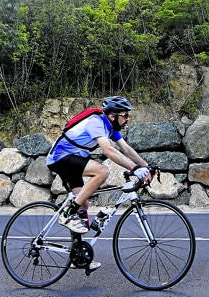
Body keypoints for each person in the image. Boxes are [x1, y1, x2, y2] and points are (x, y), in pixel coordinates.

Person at [46, 96, 152, 269]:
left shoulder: (110, 127)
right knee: (102, 171)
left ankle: (78, 256)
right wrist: (134, 169)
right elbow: (109, 150)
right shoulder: (96, 122)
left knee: (84, 205)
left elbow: (126, 149)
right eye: (125, 115)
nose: (127, 119)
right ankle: (67, 213)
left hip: (74, 158)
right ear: (113, 116)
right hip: (60, 158)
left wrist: (146, 166)